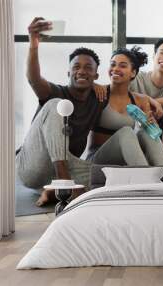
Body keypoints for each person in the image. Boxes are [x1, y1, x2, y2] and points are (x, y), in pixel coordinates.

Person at [16, 17, 106, 206]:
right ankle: (64, 185)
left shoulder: (98, 97)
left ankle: (52, 189)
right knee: (56, 104)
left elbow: (124, 91)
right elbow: (33, 79)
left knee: (107, 174)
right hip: (33, 166)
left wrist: (150, 102)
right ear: (68, 73)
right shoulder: (56, 92)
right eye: (76, 67)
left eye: (88, 68)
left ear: (95, 75)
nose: (81, 71)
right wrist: (33, 43)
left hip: (69, 164)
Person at [86, 46, 163, 166]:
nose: (115, 69)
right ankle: (146, 178)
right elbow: (75, 86)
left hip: (125, 157)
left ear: (133, 73)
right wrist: (91, 84)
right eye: (113, 64)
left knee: (147, 133)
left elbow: (152, 133)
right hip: (97, 157)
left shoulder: (140, 100)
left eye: (122, 66)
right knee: (126, 132)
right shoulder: (100, 93)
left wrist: (150, 124)